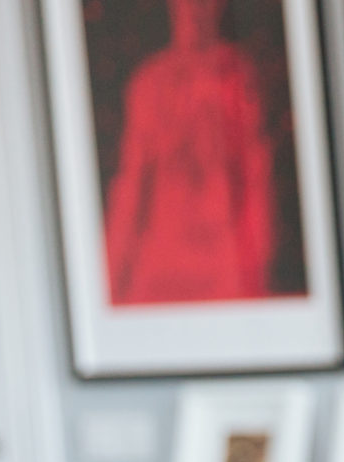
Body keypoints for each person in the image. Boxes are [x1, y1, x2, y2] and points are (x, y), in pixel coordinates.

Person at [102, 0, 279, 306]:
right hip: (160, 264)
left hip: (223, 265)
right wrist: (113, 272)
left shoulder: (239, 76)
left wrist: (257, 263)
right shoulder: (150, 82)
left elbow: (255, 175)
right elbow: (131, 185)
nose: (194, 10)